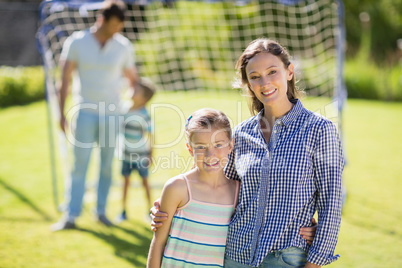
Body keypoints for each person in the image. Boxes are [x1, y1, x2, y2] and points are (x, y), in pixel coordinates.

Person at [151, 38, 344, 267]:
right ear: (248, 84)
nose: (265, 82)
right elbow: (218, 181)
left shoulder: (320, 129)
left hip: (285, 258)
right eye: (255, 77)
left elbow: (331, 203)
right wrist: (170, 203)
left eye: (272, 72)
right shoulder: (242, 133)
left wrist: (315, 261)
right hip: (235, 254)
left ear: (289, 72)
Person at [51, 1, 139, 231]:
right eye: (114, 24)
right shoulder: (77, 42)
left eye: (120, 25)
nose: (117, 29)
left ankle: (100, 211)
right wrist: (61, 113)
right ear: (101, 19)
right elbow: (65, 79)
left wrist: (134, 106)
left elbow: (133, 79)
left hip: (112, 115)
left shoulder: (123, 46)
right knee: (79, 165)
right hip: (84, 113)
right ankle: (71, 215)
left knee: (107, 165)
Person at [147, 108, 239, 268]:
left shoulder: (237, 192)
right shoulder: (177, 187)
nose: (211, 154)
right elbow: (158, 243)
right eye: (201, 147)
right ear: (190, 149)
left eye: (218, 145)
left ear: (230, 146)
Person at [116, 78, 155, 223]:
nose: (132, 90)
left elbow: (151, 135)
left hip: (140, 156)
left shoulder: (145, 114)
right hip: (125, 155)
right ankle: (123, 211)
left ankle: (149, 211)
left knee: (145, 183)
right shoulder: (124, 108)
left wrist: (151, 154)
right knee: (125, 182)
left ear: (144, 99)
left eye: (137, 90)